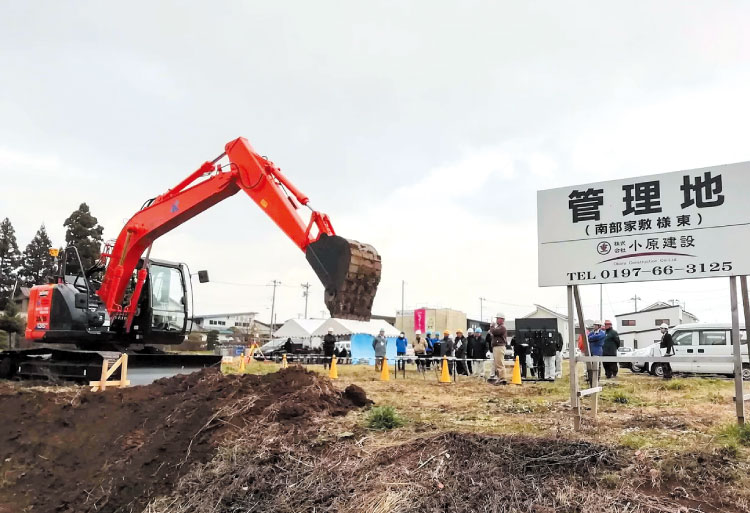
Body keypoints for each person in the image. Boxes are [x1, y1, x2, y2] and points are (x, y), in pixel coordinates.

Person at [490, 313, 508, 384]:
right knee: (497, 363)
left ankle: (502, 378)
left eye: (498, 318)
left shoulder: (502, 327)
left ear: (502, 319)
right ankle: (500, 377)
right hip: (497, 347)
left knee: (499, 363)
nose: (497, 320)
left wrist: (492, 326)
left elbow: (494, 331)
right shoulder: (499, 327)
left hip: (499, 347)